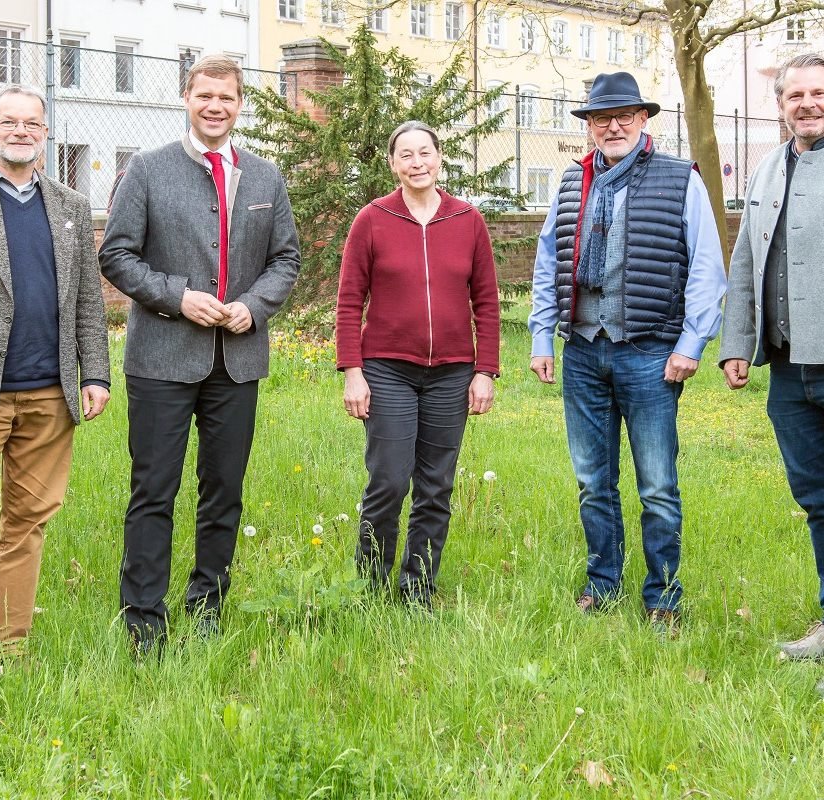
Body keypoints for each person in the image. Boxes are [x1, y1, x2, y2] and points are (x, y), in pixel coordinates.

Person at [99, 55, 300, 655]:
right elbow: (117, 255)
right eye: (205, 95)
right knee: (153, 490)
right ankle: (143, 620)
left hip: (236, 363)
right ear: (186, 97)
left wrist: (256, 305)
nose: (216, 106)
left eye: (228, 97)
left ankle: (208, 606)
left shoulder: (265, 177)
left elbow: (285, 259)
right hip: (162, 358)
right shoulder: (147, 170)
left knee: (224, 490)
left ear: (241, 104)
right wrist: (177, 298)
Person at [528, 72, 726, 636]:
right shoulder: (571, 183)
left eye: (625, 115)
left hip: (650, 354)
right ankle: (602, 583)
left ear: (644, 121)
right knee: (594, 481)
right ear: (589, 126)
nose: (612, 125)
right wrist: (543, 336)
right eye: (600, 117)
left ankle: (663, 594)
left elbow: (708, 269)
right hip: (583, 352)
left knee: (657, 483)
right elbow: (548, 264)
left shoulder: (679, 179)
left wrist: (691, 345)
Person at [335, 120, 500, 611]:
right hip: (387, 370)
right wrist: (353, 370)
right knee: (388, 479)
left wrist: (484, 370)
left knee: (435, 485)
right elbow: (348, 301)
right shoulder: (372, 219)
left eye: (424, 152)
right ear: (393, 165)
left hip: (452, 373)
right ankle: (369, 586)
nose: (416, 163)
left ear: (439, 157)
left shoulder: (468, 220)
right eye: (405, 155)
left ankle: (418, 589)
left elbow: (487, 303)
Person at [0, 85, 110, 656]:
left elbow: (88, 300)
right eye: (8, 121)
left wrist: (96, 374)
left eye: (31, 123)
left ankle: (9, 647)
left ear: (46, 133)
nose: (20, 131)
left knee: (25, 525)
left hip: (47, 396)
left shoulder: (70, 207)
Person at [719, 53, 824, 659]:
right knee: (816, 499)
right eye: (795, 96)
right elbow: (745, 262)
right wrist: (737, 342)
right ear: (780, 105)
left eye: (818, 92)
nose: (807, 104)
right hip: (788, 369)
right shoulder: (766, 171)